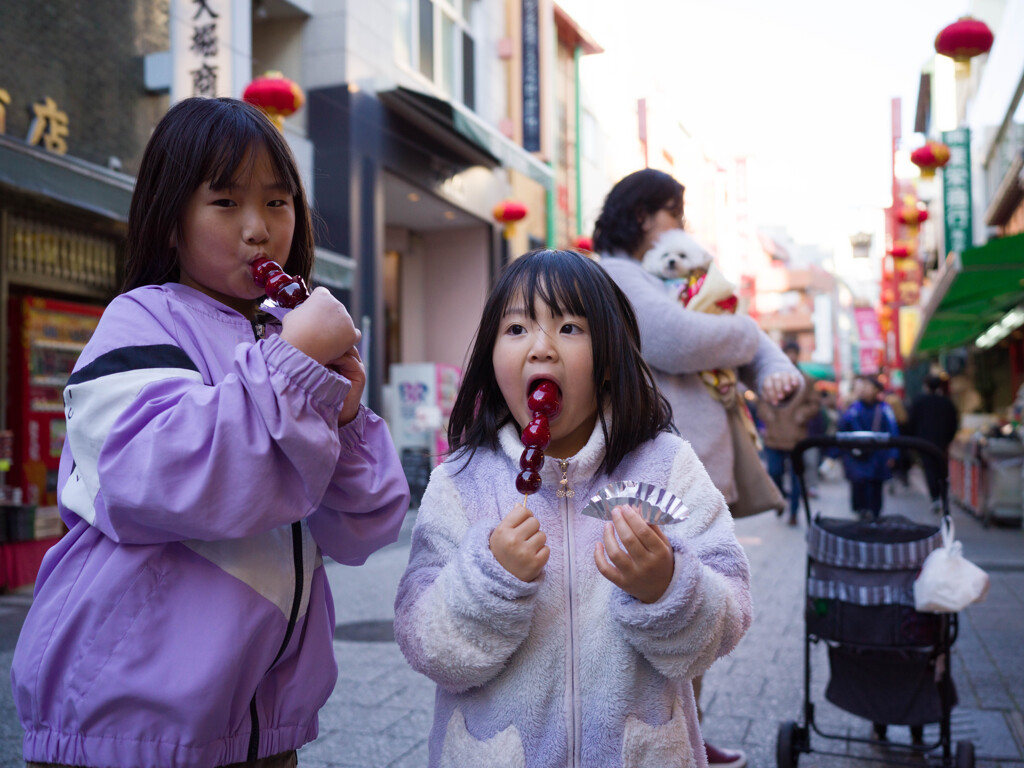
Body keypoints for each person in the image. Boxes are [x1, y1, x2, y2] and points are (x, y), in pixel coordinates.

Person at [11, 98, 411, 768]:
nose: (258, 229)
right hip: (127, 725)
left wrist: (343, 414)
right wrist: (289, 367)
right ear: (171, 222)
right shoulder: (140, 320)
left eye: (278, 202)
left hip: (261, 728)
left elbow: (362, 528)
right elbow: (166, 477)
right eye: (225, 202)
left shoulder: (282, 340)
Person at [393, 249, 752, 768]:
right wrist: (488, 579)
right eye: (516, 329)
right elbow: (426, 644)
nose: (541, 348)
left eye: (568, 328)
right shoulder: (460, 483)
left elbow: (726, 621)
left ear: (608, 362)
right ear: (492, 361)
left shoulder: (667, 465)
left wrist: (668, 587)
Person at [593, 169, 801, 768]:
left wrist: (771, 367)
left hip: (692, 470)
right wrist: (749, 331)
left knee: (689, 608)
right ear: (642, 215)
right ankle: (661, 736)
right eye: (672, 213)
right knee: (662, 611)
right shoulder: (616, 272)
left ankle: (686, 731)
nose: (680, 227)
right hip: (658, 475)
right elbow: (676, 338)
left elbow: (723, 337)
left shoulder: (673, 275)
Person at [758, 341, 820, 526]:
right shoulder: (772, 377)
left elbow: (815, 404)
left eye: (794, 353)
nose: (791, 356)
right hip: (774, 435)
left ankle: (793, 513)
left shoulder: (806, 380)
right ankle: (780, 502)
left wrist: (803, 414)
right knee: (775, 472)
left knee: (796, 478)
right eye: (788, 353)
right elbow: (760, 399)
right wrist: (766, 413)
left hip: (796, 437)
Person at [836, 375, 900, 520]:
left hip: (878, 457)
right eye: (862, 386)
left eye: (867, 386)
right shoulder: (853, 408)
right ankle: (861, 512)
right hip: (857, 457)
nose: (863, 389)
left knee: (875, 487)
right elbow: (843, 429)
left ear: (876, 390)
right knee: (858, 486)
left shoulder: (884, 409)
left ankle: (874, 515)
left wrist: (893, 455)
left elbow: (893, 431)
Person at [908, 373, 960, 512]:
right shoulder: (946, 402)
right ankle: (942, 494)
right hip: (941, 441)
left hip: (924, 441)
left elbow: (911, 421)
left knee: (930, 468)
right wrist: (949, 438)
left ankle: (935, 496)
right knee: (941, 469)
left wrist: (914, 439)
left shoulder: (919, 401)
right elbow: (954, 422)